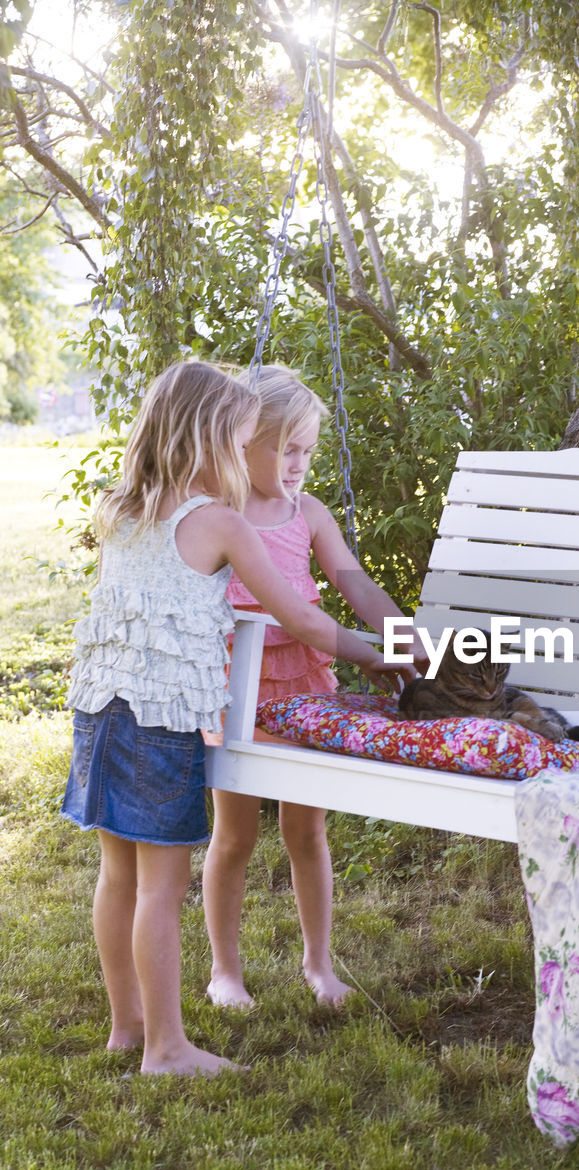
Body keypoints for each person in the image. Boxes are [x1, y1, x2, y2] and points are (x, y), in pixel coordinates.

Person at [60, 361, 414, 1076]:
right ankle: (167, 1048)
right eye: (249, 440)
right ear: (217, 441)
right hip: (164, 720)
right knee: (163, 884)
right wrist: (381, 656)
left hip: (100, 710)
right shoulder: (219, 522)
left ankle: (127, 1028)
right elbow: (305, 621)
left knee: (118, 875)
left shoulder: (117, 508)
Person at [203, 364, 427, 1009]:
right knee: (236, 833)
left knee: (306, 830)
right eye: (286, 448)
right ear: (245, 441)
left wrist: (399, 635)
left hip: (307, 682)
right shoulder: (220, 514)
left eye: (308, 449)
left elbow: (354, 584)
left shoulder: (309, 512)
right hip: (236, 684)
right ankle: (226, 970)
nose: (299, 463)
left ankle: (319, 965)